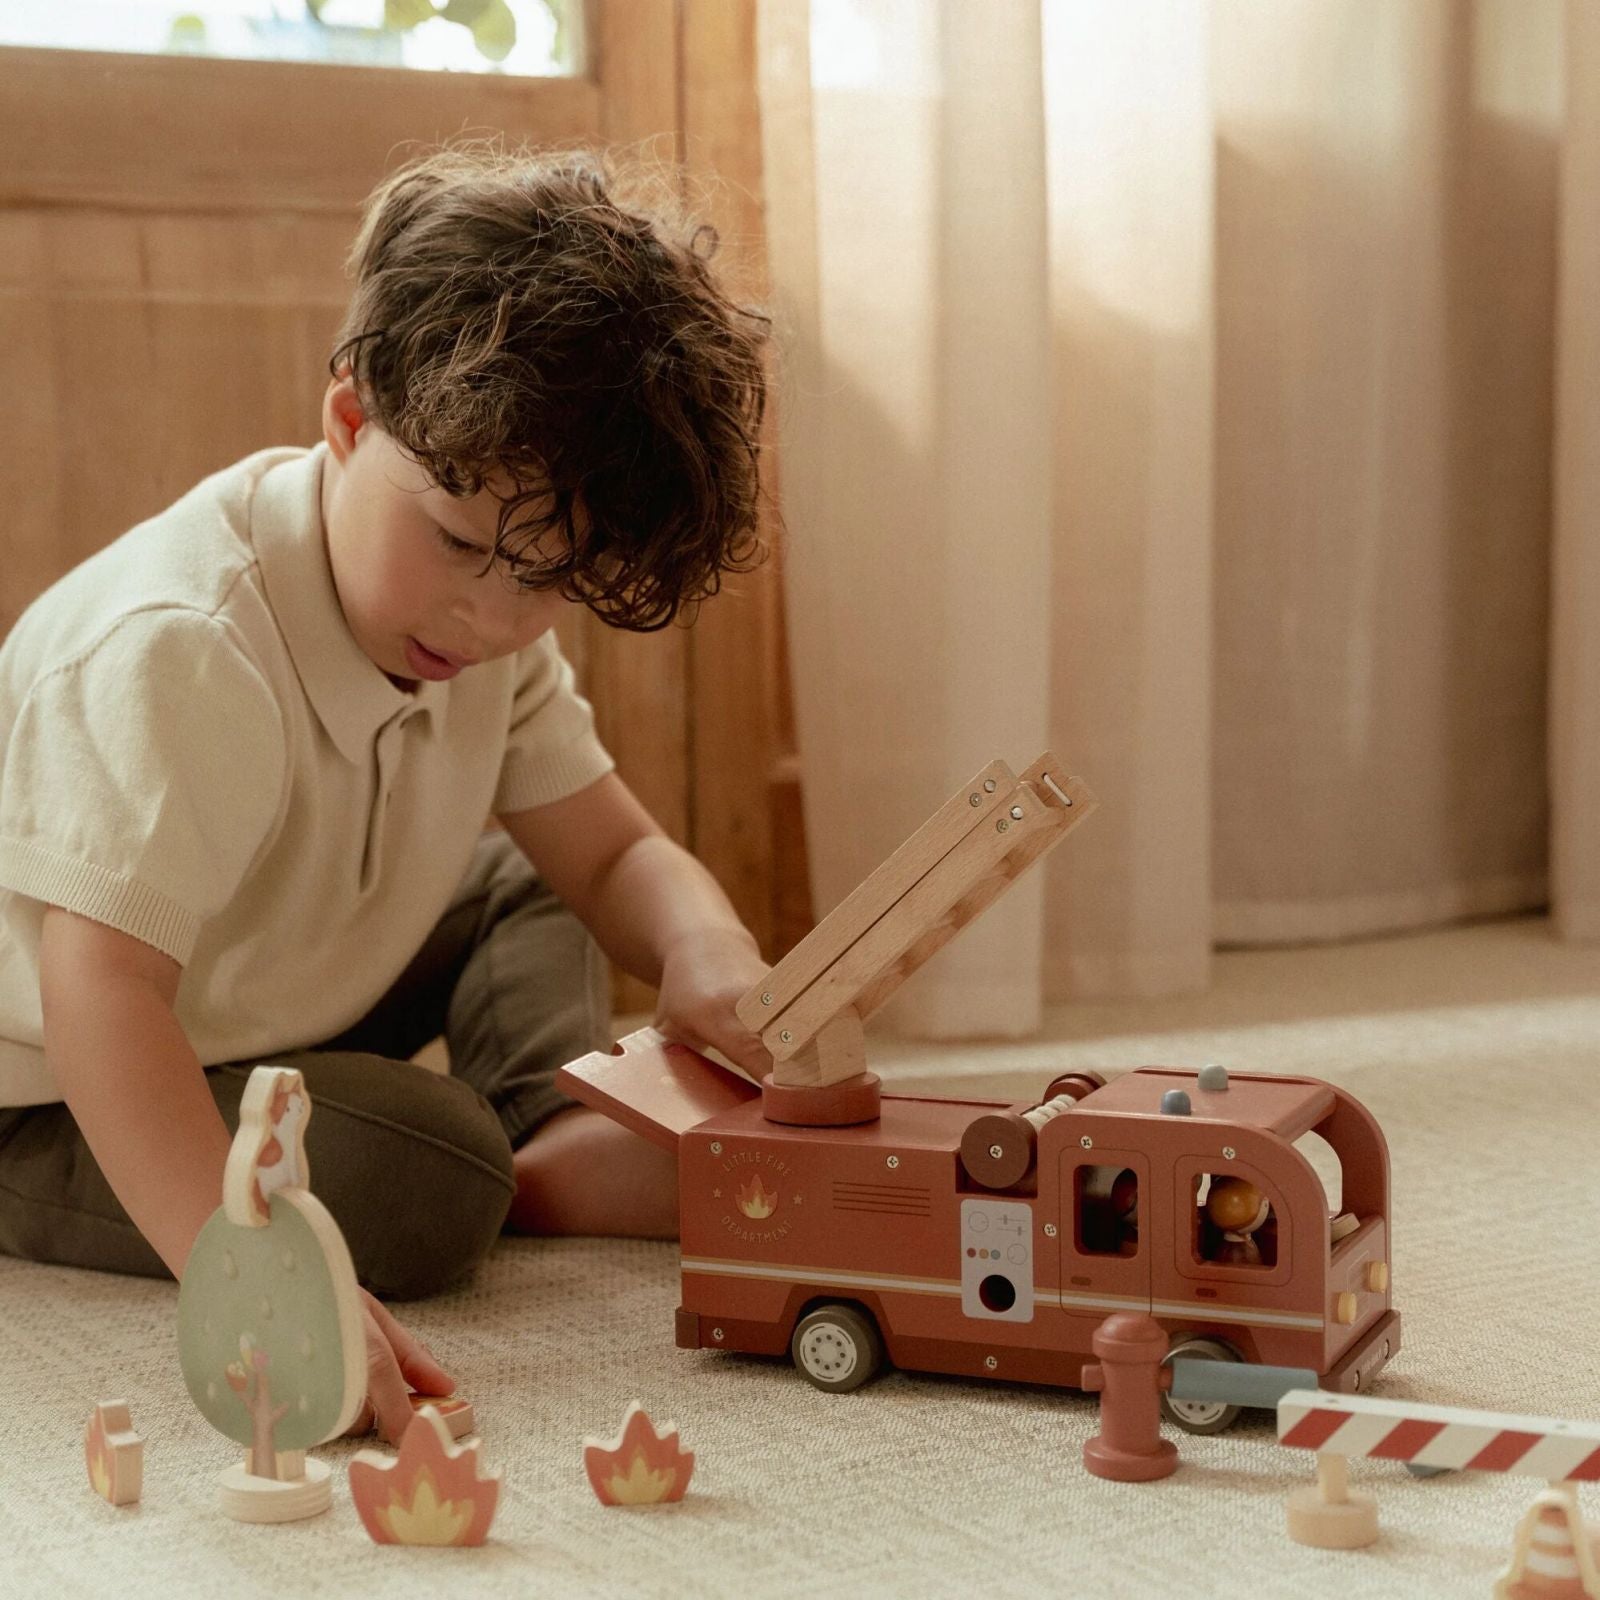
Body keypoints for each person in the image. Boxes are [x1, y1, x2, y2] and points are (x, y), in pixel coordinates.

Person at [0, 144, 774, 1441]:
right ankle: (519, 1172)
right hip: (57, 1087)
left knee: (529, 877)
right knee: (436, 1176)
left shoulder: (486, 624)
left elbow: (606, 855)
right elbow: (101, 998)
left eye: (546, 581)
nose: (489, 616)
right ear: (351, 421)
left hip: (276, 983)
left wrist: (711, 953)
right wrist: (253, 1274)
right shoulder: (182, 646)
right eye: (461, 545)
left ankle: (561, 1115)